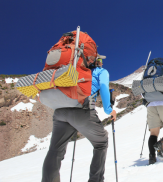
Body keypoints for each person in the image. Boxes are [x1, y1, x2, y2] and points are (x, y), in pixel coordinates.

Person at [42, 54, 117, 182]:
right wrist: (110, 110)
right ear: (94, 60)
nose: (102, 63)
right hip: (81, 109)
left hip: (60, 111)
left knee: (55, 149)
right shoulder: (101, 71)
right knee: (101, 143)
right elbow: (104, 88)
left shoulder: (71, 69)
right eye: (100, 60)